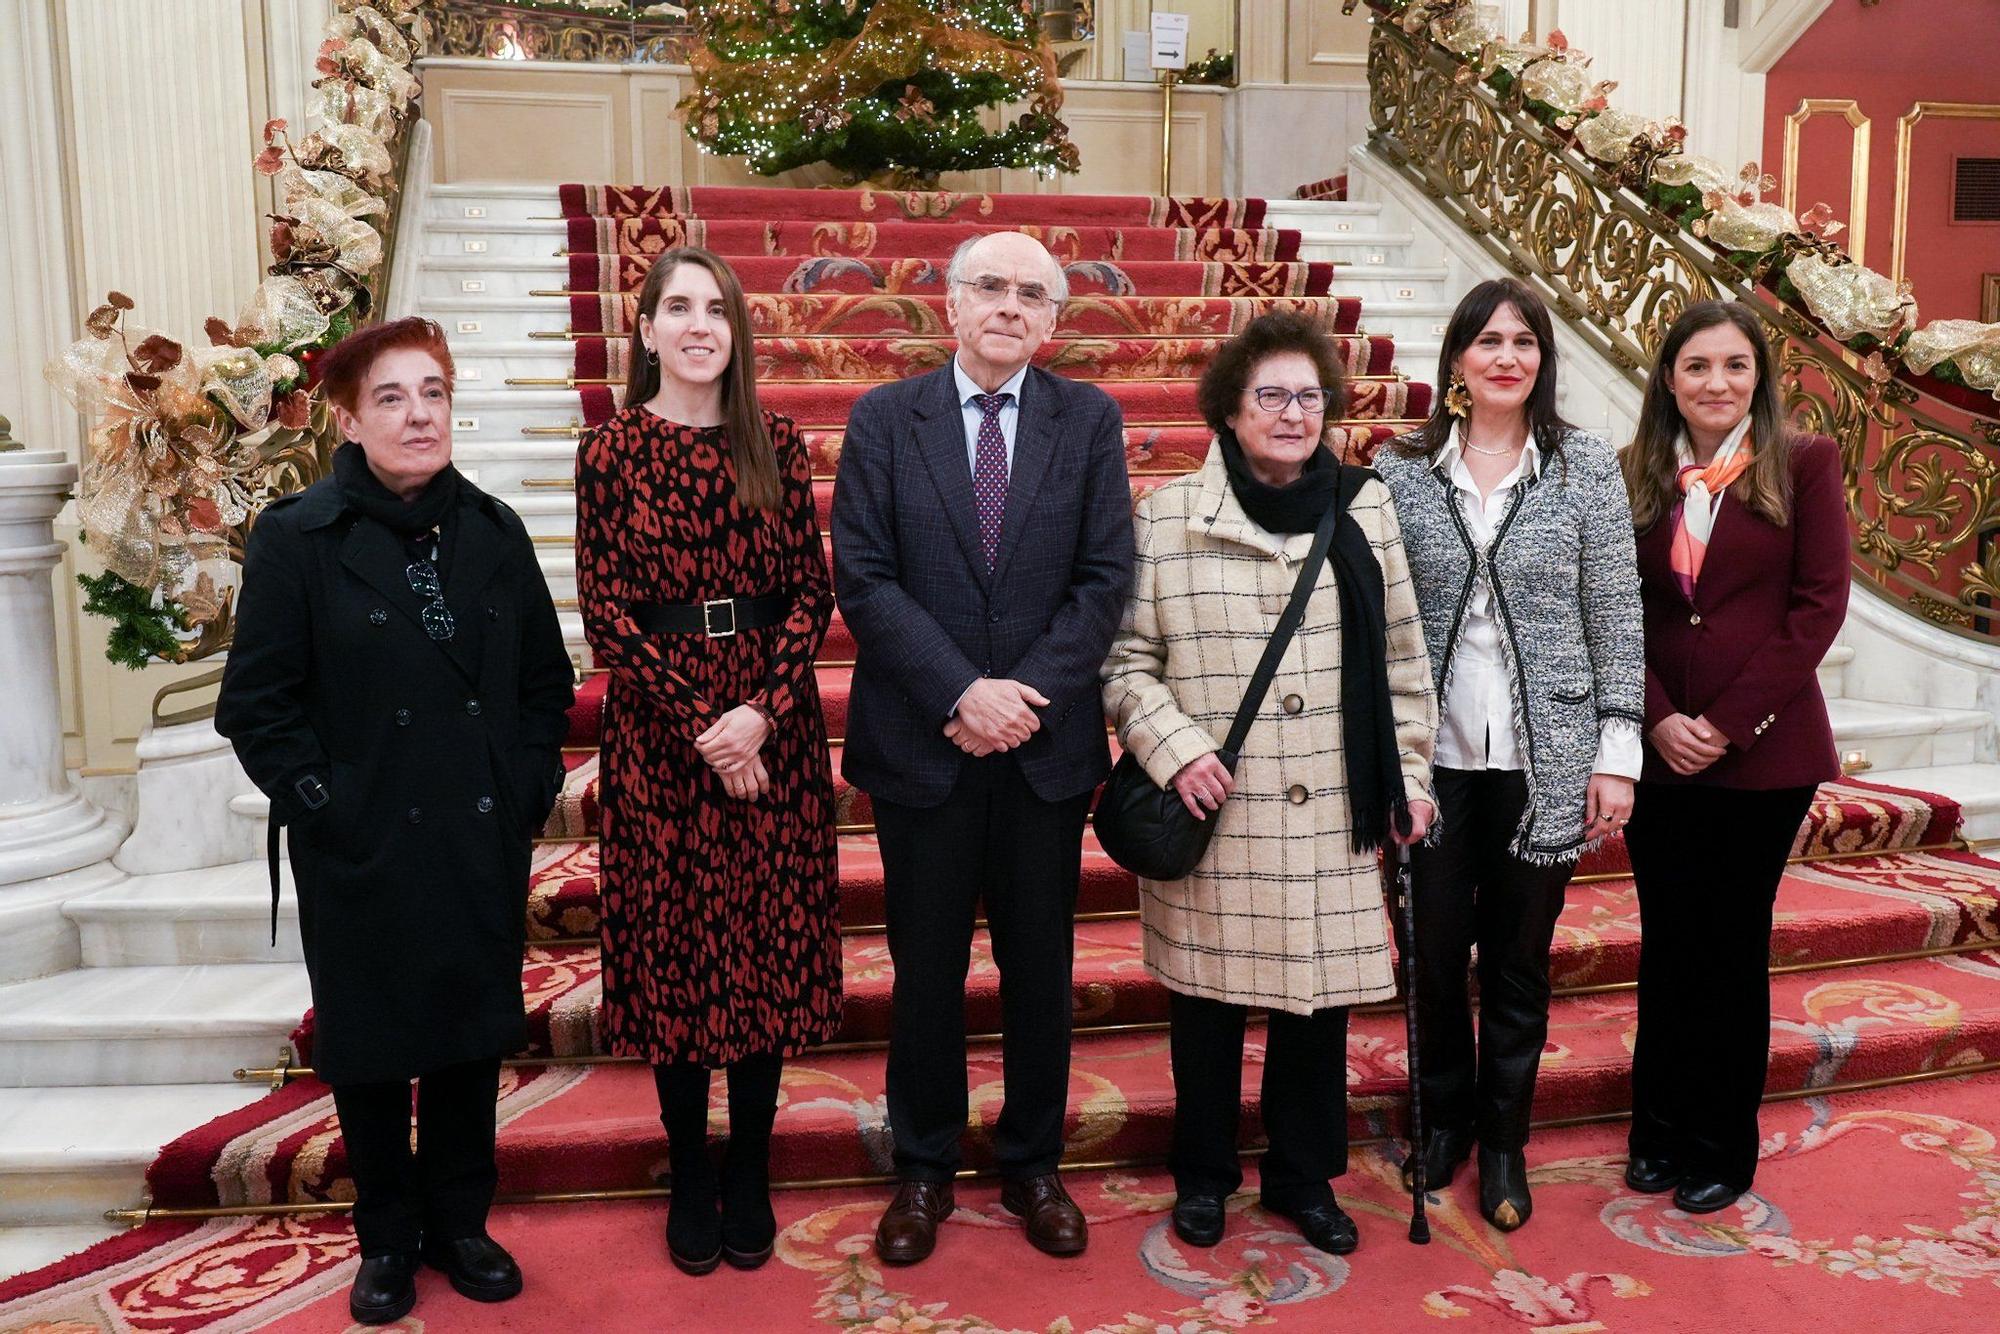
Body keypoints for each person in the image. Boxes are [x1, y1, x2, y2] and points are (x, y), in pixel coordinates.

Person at [217, 317, 574, 1325]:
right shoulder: (298, 536)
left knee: (467, 1039)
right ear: (347, 416)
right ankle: (385, 1236)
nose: (419, 415)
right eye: (392, 397)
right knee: (371, 1049)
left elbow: (547, 683)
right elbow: (257, 705)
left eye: (434, 393)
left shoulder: (496, 530)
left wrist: (525, 786)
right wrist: (330, 805)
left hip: (474, 833)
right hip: (359, 843)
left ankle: (461, 1221)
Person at [1101, 311, 1438, 1256]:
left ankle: (1303, 1177)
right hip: (1217, 805)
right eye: (1271, 397)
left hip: (1334, 805)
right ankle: (1203, 1177)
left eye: (1310, 397)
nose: (1293, 415)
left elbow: (1403, 663)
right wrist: (1176, 750)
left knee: (1316, 1013)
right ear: (1229, 409)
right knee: (1204, 1008)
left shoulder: (1365, 508)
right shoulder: (1167, 515)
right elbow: (1126, 661)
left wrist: (1410, 778)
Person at [831, 231, 1135, 1264]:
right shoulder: (883, 418)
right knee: (924, 966)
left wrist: (1021, 698)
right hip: (925, 742)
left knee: (1038, 964)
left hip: (1040, 750)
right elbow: (864, 578)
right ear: (948, 305)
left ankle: (1031, 1161)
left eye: (1030, 293)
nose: (1009, 305)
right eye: (989, 287)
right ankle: (921, 1166)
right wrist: (961, 690)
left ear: (1053, 321)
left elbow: (1103, 580)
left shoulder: (1087, 420)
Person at [575, 246, 841, 1275]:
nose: (697, 325)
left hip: (768, 724)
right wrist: (704, 723)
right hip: (659, 732)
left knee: (766, 945)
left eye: (715, 310)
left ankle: (754, 1167)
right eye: (675, 308)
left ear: (736, 332)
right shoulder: (610, 452)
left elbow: (808, 595)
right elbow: (607, 611)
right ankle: (691, 1166)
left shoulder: (773, 438)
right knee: (676, 948)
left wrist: (761, 715)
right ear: (643, 331)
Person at [1373, 277, 1644, 1232]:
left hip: (1549, 758)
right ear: (1456, 358)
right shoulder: (1398, 467)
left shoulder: (1583, 469)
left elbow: (1614, 610)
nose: (1505, 357)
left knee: (1521, 960)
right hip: (1431, 759)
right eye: (1487, 340)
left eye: (1523, 342)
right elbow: (1378, 618)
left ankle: (1504, 1142)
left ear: (1542, 360)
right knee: (1435, 953)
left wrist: (1618, 753)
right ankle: (1441, 1122)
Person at [1618, 301, 1848, 1214]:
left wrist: (1726, 721)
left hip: (1764, 756)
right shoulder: (1636, 473)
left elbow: (1818, 607)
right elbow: (1611, 608)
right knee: (1667, 942)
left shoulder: (1803, 465)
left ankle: (1721, 1145)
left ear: (1761, 376)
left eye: (1736, 366)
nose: (1718, 383)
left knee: (1730, 947)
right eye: (1698, 367)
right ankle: (1657, 1131)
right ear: (1669, 379)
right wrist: (1660, 717)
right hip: (1659, 750)